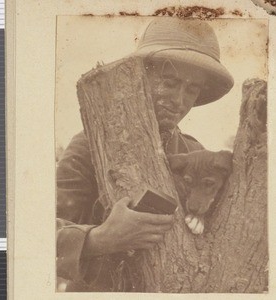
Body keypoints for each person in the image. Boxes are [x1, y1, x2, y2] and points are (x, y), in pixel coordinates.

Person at [56, 18, 234, 292]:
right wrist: (101, 239)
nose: (180, 100)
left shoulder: (194, 152)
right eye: (170, 81)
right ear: (139, 77)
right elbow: (30, 236)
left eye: (192, 89)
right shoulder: (89, 146)